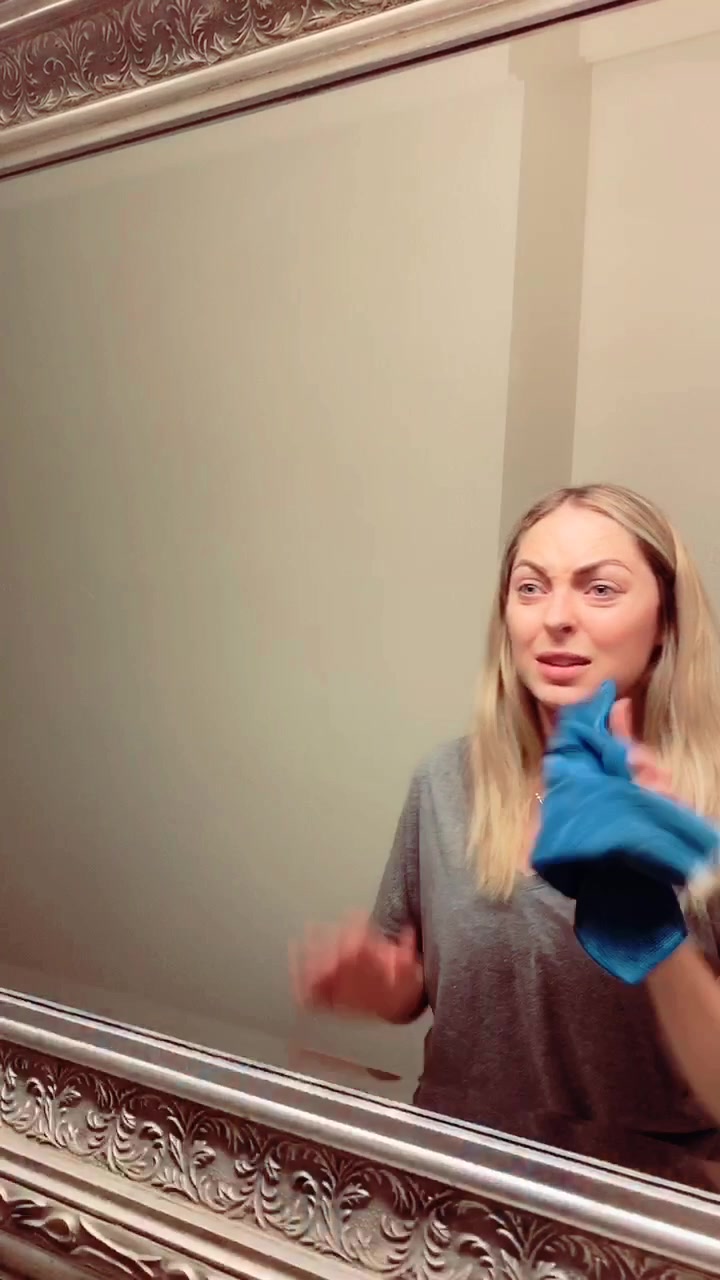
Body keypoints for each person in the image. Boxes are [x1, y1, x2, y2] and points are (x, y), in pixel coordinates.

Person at [291, 483, 720, 1151]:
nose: (557, 617)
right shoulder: (445, 783)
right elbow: (416, 990)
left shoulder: (708, 806)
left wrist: (654, 937)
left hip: (639, 1200)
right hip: (453, 1181)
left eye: (600, 589)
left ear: (666, 621)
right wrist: (382, 988)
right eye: (531, 587)